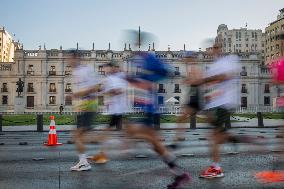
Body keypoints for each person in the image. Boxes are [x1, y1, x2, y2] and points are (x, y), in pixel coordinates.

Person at [125, 50, 191, 189]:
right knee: (155, 146)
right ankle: (179, 174)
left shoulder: (150, 60)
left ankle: (180, 174)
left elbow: (158, 76)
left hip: (150, 108)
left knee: (141, 135)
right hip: (147, 108)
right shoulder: (143, 62)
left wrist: (133, 80)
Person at [69, 50, 101, 171]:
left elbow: (95, 87)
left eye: (70, 58)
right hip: (84, 107)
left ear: (76, 58)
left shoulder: (85, 70)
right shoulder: (76, 71)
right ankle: (84, 160)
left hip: (89, 106)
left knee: (77, 135)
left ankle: (84, 162)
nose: (69, 61)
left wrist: (78, 94)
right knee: (79, 136)